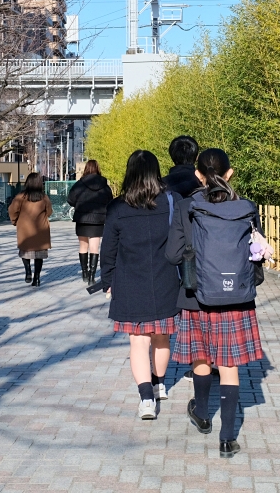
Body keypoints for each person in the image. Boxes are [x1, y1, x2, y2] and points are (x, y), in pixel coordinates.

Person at [166, 148, 265, 458]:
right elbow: (256, 251)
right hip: (236, 297)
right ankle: (227, 437)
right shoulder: (246, 207)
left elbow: (172, 254)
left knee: (200, 356)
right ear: (229, 173)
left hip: (196, 294)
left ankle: (202, 413)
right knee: (229, 364)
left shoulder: (187, 206)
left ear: (198, 175)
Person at [100, 150, 181, 420]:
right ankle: (159, 385)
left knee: (138, 342)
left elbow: (109, 249)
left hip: (130, 281)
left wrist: (108, 279)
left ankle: (146, 399)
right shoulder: (172, 201)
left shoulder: (117, 207)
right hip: (166, 279)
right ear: (156, 172)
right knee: (162, 337)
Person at [67, 159, 114, 283]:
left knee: (83, 246)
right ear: (98, 168)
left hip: (82, 218)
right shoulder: (104, 185)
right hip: (98, 220)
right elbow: (110, 201)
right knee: (94, 247)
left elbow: (70, 199)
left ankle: (84, 272)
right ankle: (92, 277)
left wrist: (78, 205)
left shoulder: (79, 184)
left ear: (86, 168)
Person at [8, 172, 53, 287]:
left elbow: (12, 210)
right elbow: (49, 212)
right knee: (39, 255)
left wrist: (15, 221)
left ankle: (28, 271)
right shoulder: (44, 197)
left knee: (25, 252)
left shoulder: (20, 197)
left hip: (25, 229)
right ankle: (37, 278)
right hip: (41, 229)